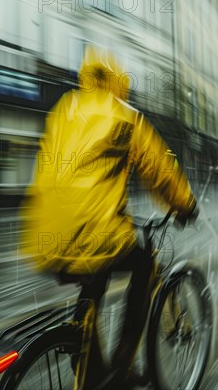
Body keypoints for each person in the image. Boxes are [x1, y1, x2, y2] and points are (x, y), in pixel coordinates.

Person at [19, 45, 198, 389]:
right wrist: (185, 205)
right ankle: (119, 369)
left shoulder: (64, 109)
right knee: (144, 265)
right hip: (94, 232)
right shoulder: (124, 116)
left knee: (92, 283)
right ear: (119, 83)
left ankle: (86, 361)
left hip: (44, 236)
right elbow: (159, 170)